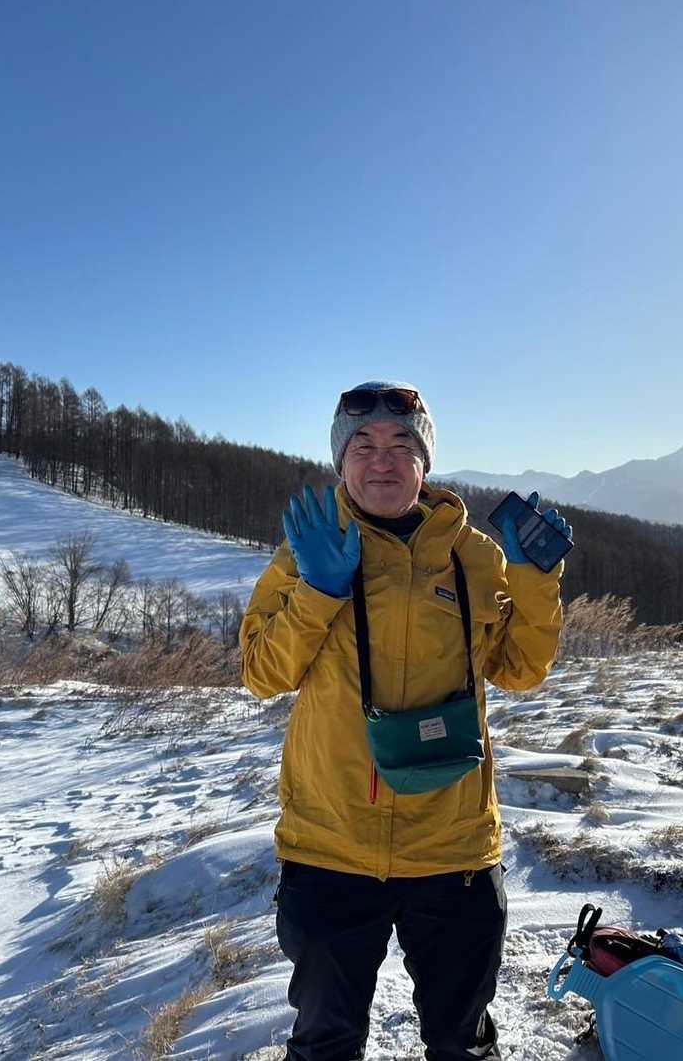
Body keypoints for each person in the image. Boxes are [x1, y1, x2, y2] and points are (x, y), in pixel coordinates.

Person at [240, 380, 572, 1060]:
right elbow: (262, 673)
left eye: (401, 445)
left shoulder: (474, 555)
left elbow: (520, 669)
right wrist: (318, 590)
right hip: (330, 846)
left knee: (461, 1043)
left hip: (453, 848)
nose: (382, 460)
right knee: (325, 1044)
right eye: (362, 445)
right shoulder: (306, 549)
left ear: (425, 462)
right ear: (341, 462)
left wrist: (536, 580)